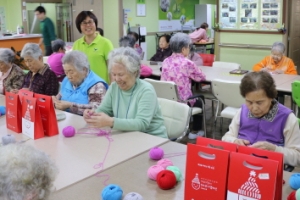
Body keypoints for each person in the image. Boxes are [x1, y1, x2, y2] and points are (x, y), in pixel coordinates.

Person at [83, 47, 167, 138]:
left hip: (152, 140)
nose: (117, 79)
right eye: (114, 74)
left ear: (134, 72)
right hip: (127, 136)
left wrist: (110, 121)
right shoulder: (114, 87)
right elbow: (104, 110)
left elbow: (142, 124)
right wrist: (93, 114)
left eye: (121, 74)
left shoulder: (146, 91)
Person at [222, 71, 300, 167]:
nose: (254, 108)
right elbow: (226, 138)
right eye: (249, 102)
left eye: (259, 103)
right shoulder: (242, 112)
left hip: (270, 170)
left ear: (271, 97)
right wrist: (234, 141)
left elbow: (297, 157)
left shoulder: (287, 118)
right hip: (240, 165)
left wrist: (275, 149)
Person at [161, 33, 206, 140]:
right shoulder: (187, 63)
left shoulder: (166, 61)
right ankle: (196, 130)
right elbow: (202, 78)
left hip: (167, 100)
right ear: (183, 49)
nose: (189, 49)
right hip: (182, 101)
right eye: (188, 47)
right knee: (200, 100)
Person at [53, 51, 108, 116]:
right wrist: (54, 100)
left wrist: (70, 106)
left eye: (71, 72)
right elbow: (59, 96)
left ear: (84, 69)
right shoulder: (66, 80)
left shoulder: (96, 85)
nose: (69, 76)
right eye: (66, 72)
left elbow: (96, 109)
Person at [72, 11, 114, 83]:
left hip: (101, 87)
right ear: (79, 26)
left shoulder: (106, 43)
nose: (88, 25)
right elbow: (75, 67)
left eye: (90, 22)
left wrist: (112, 88)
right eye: (84, 23)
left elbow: (112, 68)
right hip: (83, 87)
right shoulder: (76, 44)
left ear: (95, 24)